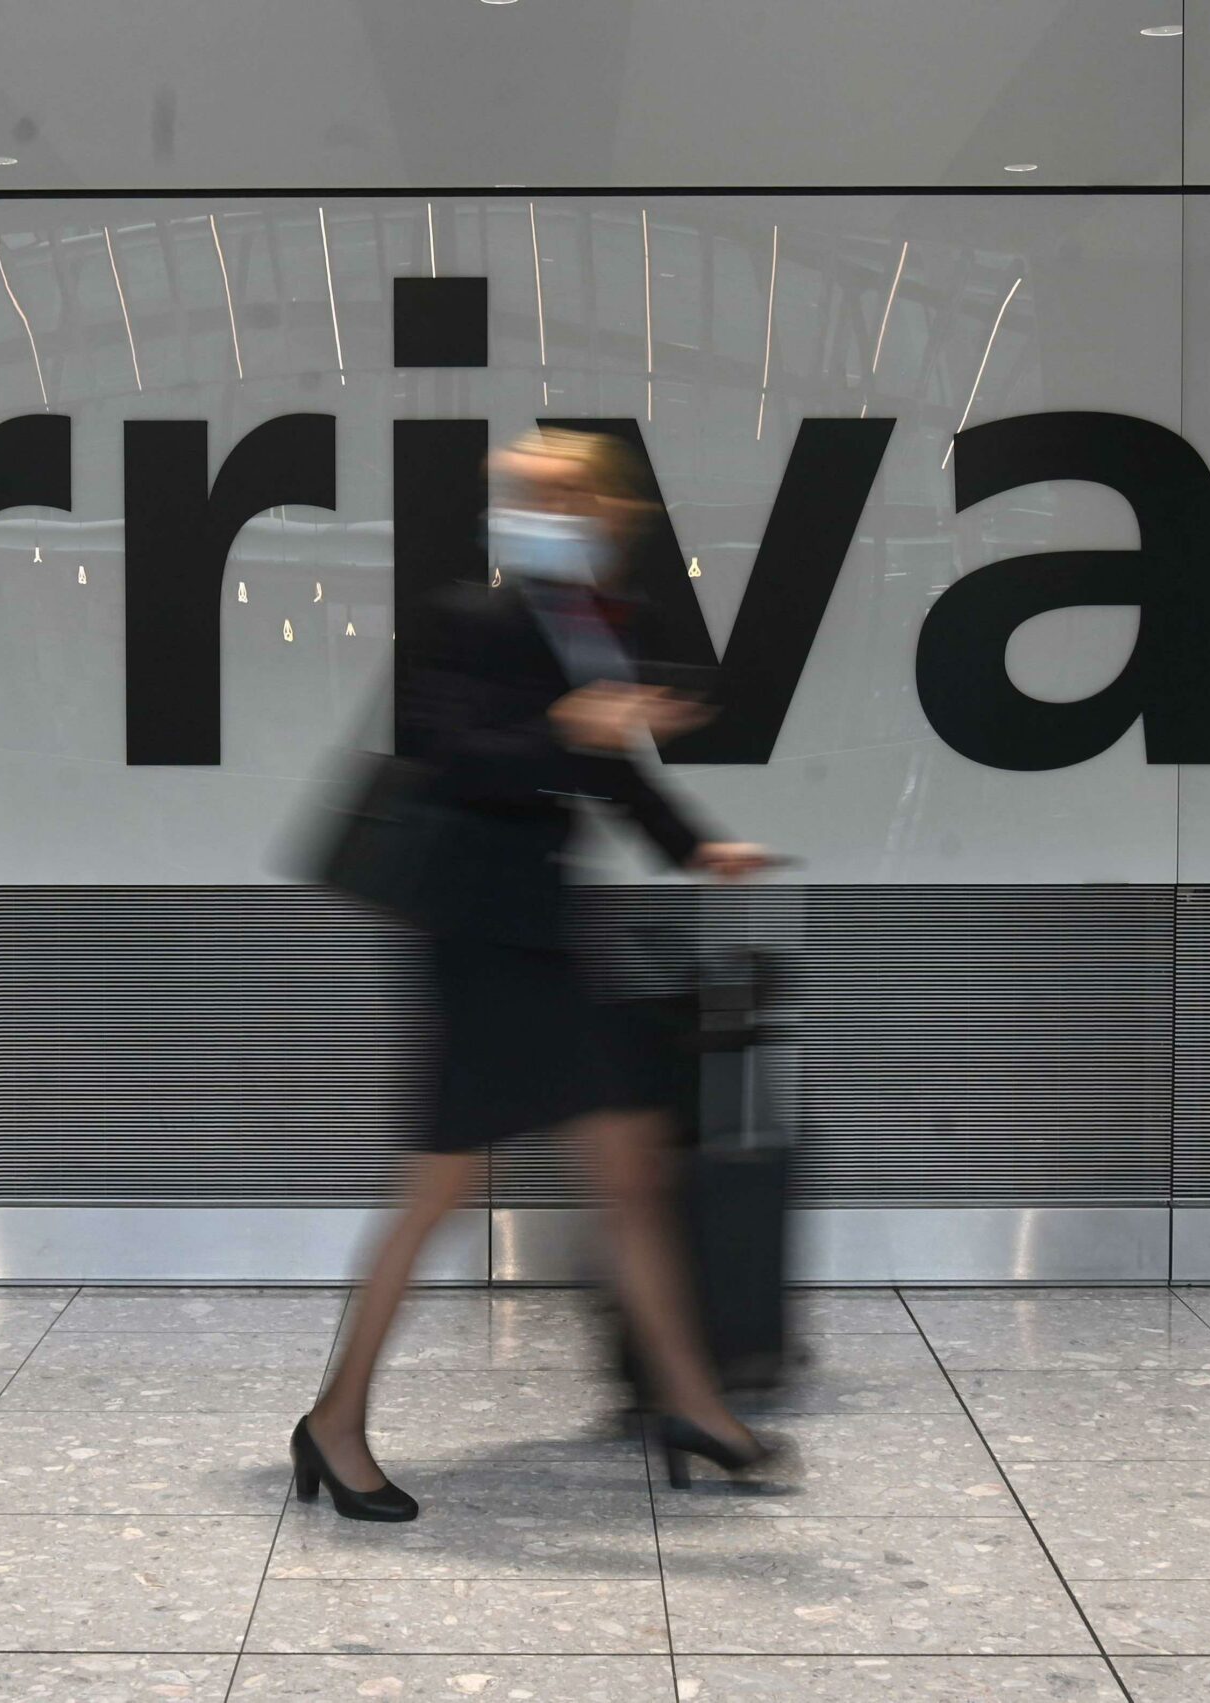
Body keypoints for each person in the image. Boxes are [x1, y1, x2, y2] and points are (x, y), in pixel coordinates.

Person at [291, 427, 777, 1522]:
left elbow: (611, 773)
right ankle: (334, 1422)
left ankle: (692, 1403)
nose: (533, 509)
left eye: (558, 493)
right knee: (442, 1188)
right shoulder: (464, 617)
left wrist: (698, 846)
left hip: (550, 932)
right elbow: (444, 750)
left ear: (606, 514)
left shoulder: (610, 622)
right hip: (470, 934)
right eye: (521, 493)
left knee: (631, 1169)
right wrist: (568, 722)